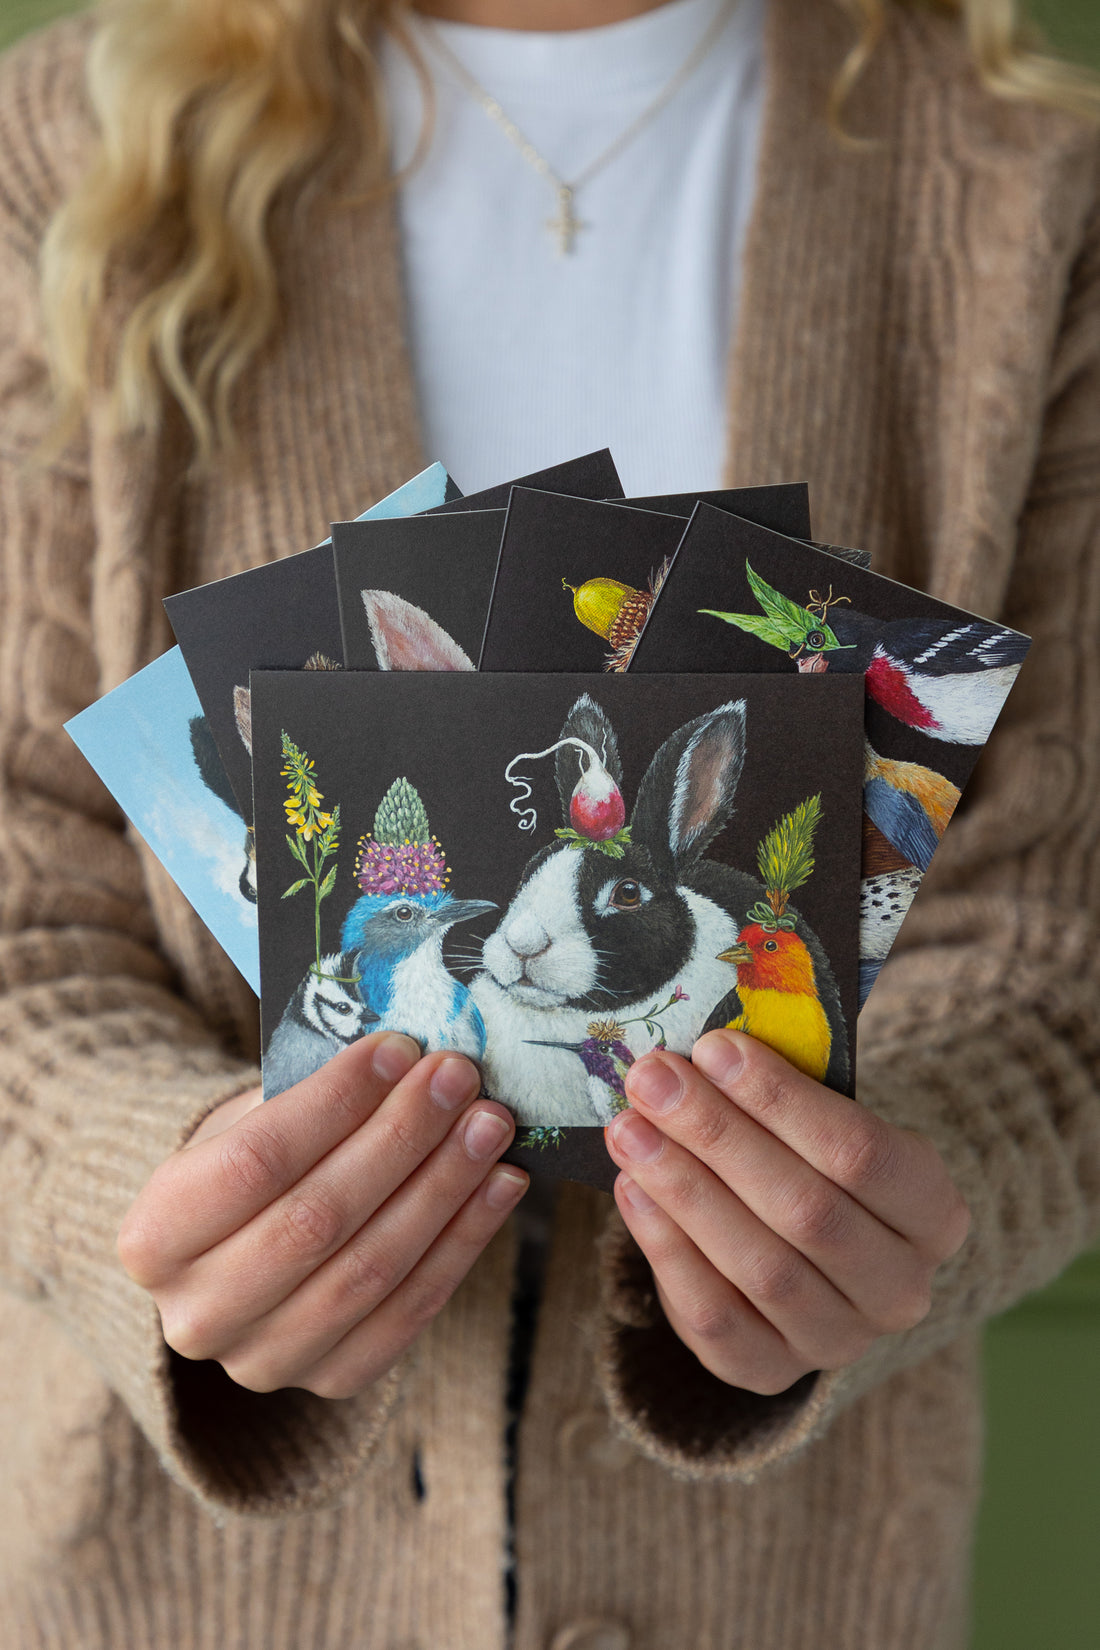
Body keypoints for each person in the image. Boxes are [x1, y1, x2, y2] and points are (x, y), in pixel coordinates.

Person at [0, 0, 1097, 1646]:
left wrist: (882, 1186)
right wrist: (146, 1191)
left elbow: (1062, 921)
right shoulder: (67, 147)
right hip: (166, 1588)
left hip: (795, 1585)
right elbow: (23, 879)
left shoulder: (1034, 187)